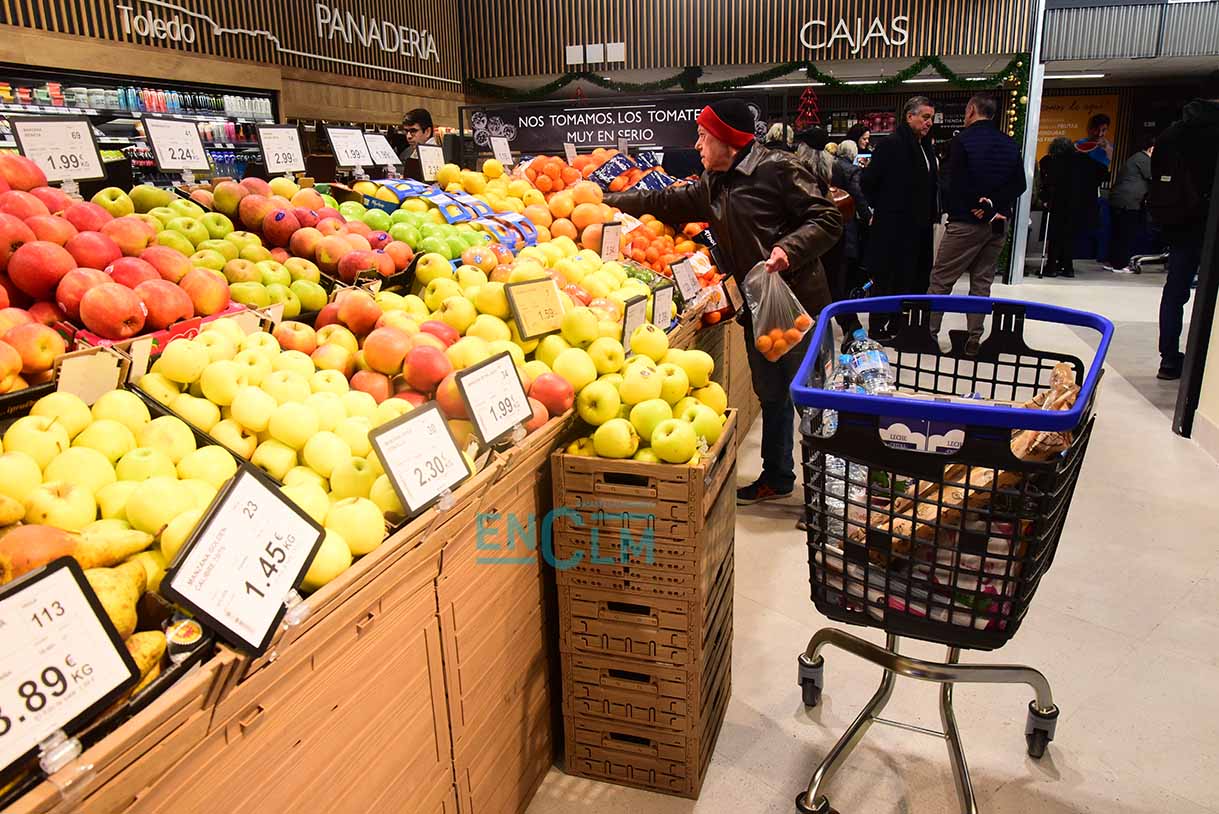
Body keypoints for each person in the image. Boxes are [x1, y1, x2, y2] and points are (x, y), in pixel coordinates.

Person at [604, 99, 843, 505]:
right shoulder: (715, 180)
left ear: (728, 140)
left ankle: (831, 498)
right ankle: (778, 476)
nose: (697, 145)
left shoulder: (778, 168)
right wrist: (607, 201)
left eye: (703, 136)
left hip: (796, 304)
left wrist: (788, 249)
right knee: (771, 393)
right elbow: (666, 202)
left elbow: (827, 217)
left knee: (813, 401)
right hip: (757, 305)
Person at [925, 94, 1027, 355]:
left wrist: (981, 208)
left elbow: (953, 182)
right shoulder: (1009, 143)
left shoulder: (962, 141)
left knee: (941, 280)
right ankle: (974, 338)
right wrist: (994, 207)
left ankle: (929, 334)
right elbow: (1020, 184)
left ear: (971, 110)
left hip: (966, 222)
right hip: (999, 223)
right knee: (982, 282)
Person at [1149, 72, 1219, 380]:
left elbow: (1156, 176)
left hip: (1179, 223)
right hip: (1210, 223)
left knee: (1175, 291)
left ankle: (1168, 358)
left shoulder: (1173, 133)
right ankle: (1206, 361)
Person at [861, 96, 939, 339]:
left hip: (919, 227)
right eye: (925, 117)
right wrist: (885, 207)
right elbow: (868, 181)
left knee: (912, 277)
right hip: (893, 226)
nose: (929, 122)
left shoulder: (926, 147)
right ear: (909, 116)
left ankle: (900, 325)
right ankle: (878, 326)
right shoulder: (891, 144)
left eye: (931, 118)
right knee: (887, 277)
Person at [1038, 137, 1105, 278]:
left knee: (1055, 236)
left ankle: (1051, 266)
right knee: (1069, 237)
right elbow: (1104, 172)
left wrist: (1044, 198)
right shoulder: (1085, 160)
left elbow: (1049, 183)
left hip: (1059, 204)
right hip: (1080, 206)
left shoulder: (1055, 161)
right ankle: (1068, 267)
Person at [1105, 136, 1155, 274]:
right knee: (1126, 233)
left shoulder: (1136, 157)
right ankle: (1120, 264)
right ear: (1151, 149)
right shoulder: (1144, 159)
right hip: (1128, 203)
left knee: (1118, 233)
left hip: (1119, 200)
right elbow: (1154, 177)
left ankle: (1113, 262)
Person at [832, 139, 871, 293]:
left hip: (833, 216)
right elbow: (858, 196)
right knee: (847, 264)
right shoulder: (853, 171)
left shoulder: (831, 165)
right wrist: (868, 216)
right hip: (847, 218)